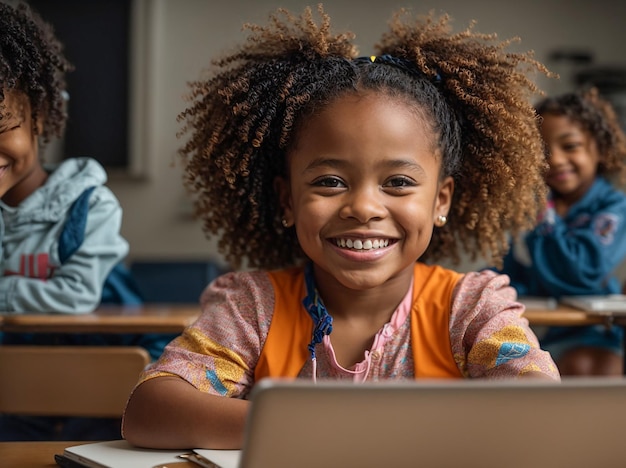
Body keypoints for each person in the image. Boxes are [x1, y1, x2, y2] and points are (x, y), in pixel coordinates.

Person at [122, 5, 560, 450]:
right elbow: (151, 410)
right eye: (330, 181)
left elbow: (540, 409)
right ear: (287, 200)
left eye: (398, 183)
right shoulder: (253, 308)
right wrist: (339, 428)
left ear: (440, 201)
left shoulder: (471, 310)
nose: (364, 207)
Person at [0, 0, 173, 441]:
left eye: (2, 127)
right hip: (21, 386)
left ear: (39, 117)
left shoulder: (88, 204)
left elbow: (75, 295)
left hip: (109, 376)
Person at [497, 87, 626, 376]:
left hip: (591, 335)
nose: (554, 160)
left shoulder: (614, 207)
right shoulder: (532, 210)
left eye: (570, 146)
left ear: (599, 149)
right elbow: (510, 271)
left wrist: (546, 219)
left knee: (587, 367)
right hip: (535, 334)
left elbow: (583, 273)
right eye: (543, 150)